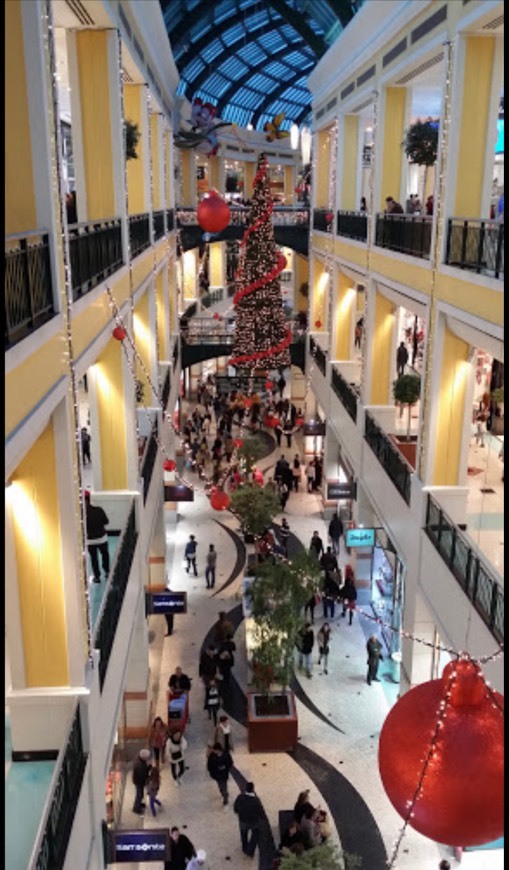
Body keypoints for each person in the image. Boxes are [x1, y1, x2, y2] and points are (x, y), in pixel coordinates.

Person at [84, 490, 110, 583]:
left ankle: (97, 577)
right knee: (105, 555)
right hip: (102, 538)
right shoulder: (99, 510)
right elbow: (106, 522)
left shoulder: (82, 516)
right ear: (89, 499)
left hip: (90, 540)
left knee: (94, 558)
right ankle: (107, 571)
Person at [233, 780, 264, 857]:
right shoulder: (256, 800)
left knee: (243, 835)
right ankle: (250, 850)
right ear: (253, 789)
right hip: (254, 821)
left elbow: (235, 808)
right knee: (255, 835)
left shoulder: (240, 797)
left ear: (245, 789)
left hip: (243, 821)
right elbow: (261, 812)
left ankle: (244, 848)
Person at [207, 741, 233, 808]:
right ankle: (224, 794)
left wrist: (225, 767)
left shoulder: (226, 755)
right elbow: (209, 766)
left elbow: (230, 763)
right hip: (217, 775)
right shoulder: (212, 756)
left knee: (223, 787)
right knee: (221, 786)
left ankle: (225, 801)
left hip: (224, 774)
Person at [132, 748, 151, 813]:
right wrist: (148, 768)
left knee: (140, 794)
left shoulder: (139, 760)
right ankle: (136, 808)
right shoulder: (140, 766)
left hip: (137, 780)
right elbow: (144, 775)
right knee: (139, 795)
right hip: (139, 782)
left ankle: (139, 804)